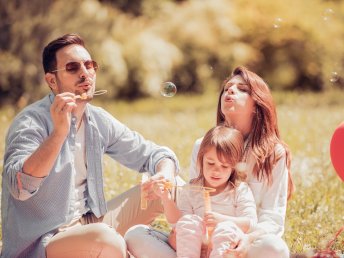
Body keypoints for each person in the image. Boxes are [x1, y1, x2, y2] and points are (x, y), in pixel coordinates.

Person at [1, 33, 179, 258]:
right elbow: (20, 187)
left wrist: (164, 175)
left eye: (89, 65)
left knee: (173, 188)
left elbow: (154, 154)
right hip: (46, 241)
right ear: (52, 81)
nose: (85, 73)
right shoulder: (30, 122)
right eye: (73, 68)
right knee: (106, 240)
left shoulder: (97, 120)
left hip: (88, 224)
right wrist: (58, 134)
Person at [189, 66, 294, 258]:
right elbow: (194, 200)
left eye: (242, 89)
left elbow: (272, 219)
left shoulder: (274, 153)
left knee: (275, 248)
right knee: (137, 235)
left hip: (246, 244)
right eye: (227, 87)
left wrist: (247, 240)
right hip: (204, 242)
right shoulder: (201, 147)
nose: (230, 90)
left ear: (257, 105)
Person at [125, 125, 257, 258]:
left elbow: (250, 223)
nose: (216, 171)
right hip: (194, 248)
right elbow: (178, 223)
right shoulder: (192, 189)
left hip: (227, 247)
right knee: (188, 222)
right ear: (201, 160)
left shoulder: (240, 190)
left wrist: (221, 220)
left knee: (226, 229)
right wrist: (166, 197)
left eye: (224, 166)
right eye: (211, 163)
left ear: (233, 167)